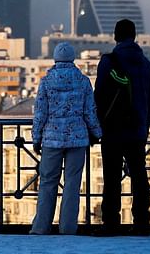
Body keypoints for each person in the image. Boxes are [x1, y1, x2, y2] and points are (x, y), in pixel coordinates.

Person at [30, 41, 102, 235]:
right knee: (72, 183)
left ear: (55, 58)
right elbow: (90, 112)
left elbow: (40, 113)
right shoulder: (83, 81)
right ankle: (68, 228)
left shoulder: (46, 81)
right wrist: (97, 133)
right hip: (77, 139)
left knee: (47, 182)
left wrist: (36, 139)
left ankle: (40, 227)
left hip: (51, 139)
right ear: (73, 58)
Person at [94, 18, 150, 230]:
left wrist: (97, 126)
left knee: (111, 177)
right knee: (139, 176)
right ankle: (141, 221)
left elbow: (99, 96)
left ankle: (110, 221)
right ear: (134, 36)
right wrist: (144, 127)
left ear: (115, 36)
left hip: (112, 130)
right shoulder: (146, 65)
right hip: (137, 129)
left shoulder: (109, 62)